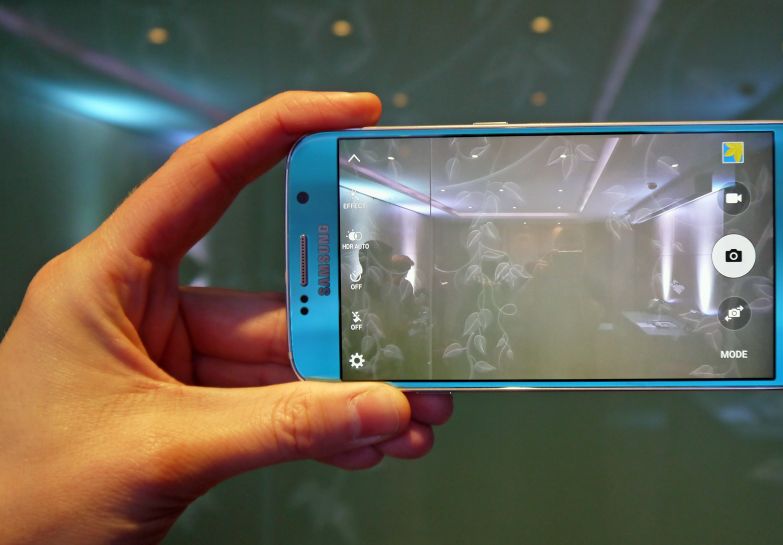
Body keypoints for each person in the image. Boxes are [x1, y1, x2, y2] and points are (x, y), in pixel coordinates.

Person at [0, 92, 453, 545]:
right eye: (391, 267)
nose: (397, 272)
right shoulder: (382, 289)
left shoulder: (402, 291)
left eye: (398, 269)